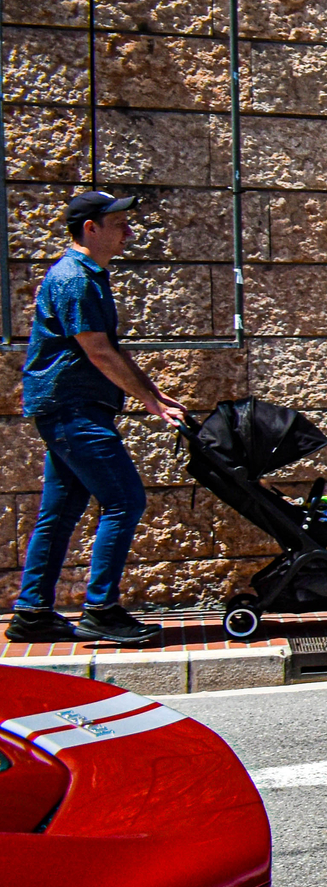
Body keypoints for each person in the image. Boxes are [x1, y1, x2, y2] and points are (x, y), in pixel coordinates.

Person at [10, 191, 187, 647]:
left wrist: (153, 391)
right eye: (120, 223)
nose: (128, 232)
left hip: (70, 407)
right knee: (125, 501)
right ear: (91, 228)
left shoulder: (87, 275)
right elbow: (98, 350)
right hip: (74, 409)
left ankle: (32, 612)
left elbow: (108, 348)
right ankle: (101, 610)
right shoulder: (76, 278)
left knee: (60, 510)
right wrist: (150, 402)